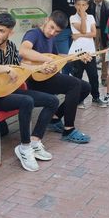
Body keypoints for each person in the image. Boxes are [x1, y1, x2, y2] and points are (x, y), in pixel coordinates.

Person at [0, 13, 59, 172]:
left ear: (10, 33)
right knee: (26, 101)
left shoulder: (12, 47)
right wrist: (6, 69)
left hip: (8, 91)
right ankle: (24, 148)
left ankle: (34, 141)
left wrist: (40, 68)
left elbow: (20, 70)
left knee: (52, 101)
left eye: (1, 31)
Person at [20, 10, 92, 143]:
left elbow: (57, 58)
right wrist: (45, 60)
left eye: (57, 31)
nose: (53, 33)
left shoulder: (50, 38)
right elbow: (24, 51)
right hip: (33, 80)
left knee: (86, 87)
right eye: (51, 27)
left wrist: (78, 56)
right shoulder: (33, 34)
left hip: (47, 77)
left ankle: (54, 118)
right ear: (47, 20)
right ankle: (68, 130)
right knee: (74, 84)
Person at [40, 0, 81, 72]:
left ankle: (67, 80)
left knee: (71, 57)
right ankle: (63, 79)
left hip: (73, 29)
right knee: (63, 58)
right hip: (60, 29)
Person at [69, 0, 108, 107]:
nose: (81, 7)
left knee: (93, 76)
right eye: (78, 5)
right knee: (78, 76)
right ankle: (79, 99)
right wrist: (81, 16)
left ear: (87, 6)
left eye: (83, 5)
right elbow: (83, 28)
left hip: (90, 51)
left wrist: (79, 35)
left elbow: (94, 33)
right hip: (77, 52)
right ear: (75, 5)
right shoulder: (72, 17)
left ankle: (96, 97)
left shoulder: (90, 17)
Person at [87, 0, 109, 85]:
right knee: (90, 54)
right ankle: (92, 76)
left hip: (103, 31)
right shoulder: (88, 4)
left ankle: (104, 77)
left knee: (104, 55)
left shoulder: (107, 5)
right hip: (92, 31)